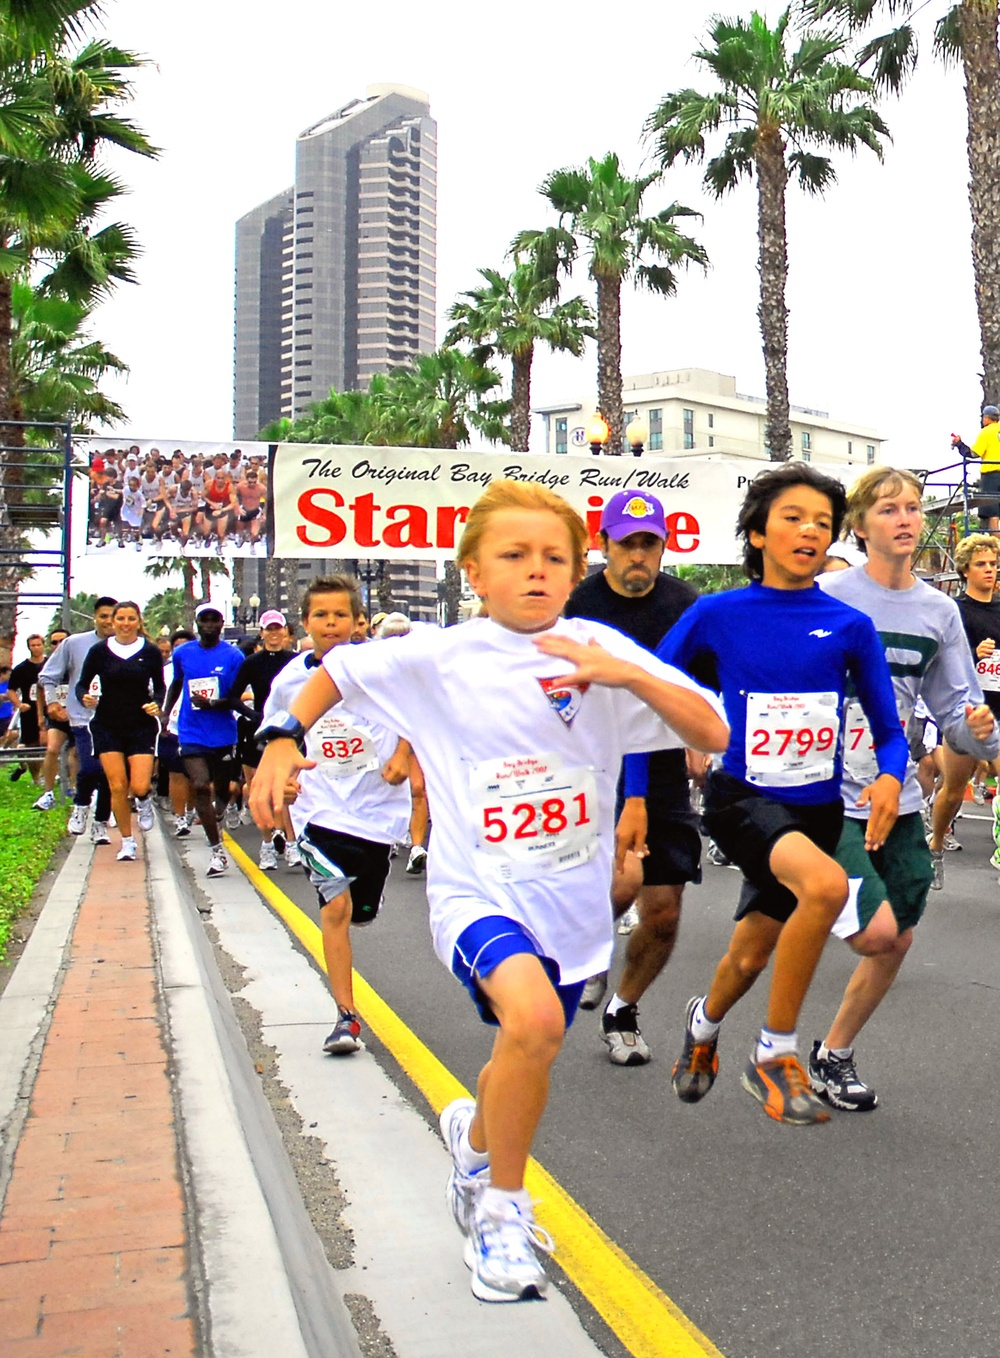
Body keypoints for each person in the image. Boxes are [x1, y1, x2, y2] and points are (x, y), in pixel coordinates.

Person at [249, 480, 728, 1303]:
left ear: (578, 568)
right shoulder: (438, 657)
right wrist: (281, 739)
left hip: (572, 906)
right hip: (476, 893)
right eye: (515, 556)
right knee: (537, 1022)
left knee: (528, 1041)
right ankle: (499, 1209)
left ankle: (473, 1138)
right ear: (474, 570)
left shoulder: (596, 650)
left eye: (555, 558)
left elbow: (711, 731)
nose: (537, 571)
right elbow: (337, 675)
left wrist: (624, 676)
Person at [653, 462, 908, 1125]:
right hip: (741, 798)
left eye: (822, 522)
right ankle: (774, 1055)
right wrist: (632, 796)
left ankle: (703, 1029)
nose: (809, 531)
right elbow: (645, 692)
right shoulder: (717, 614)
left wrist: (887, 775)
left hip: (816, 810)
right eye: (792, 518)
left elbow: (888, 728)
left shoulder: (848, 625)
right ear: (758, 533)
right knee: (824, 889)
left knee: (749, 954)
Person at [805, 476, 997, 1111]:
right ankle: (747, 1022)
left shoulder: (938, 613)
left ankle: (833, 1053)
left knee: (899, 937)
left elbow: (955, 712)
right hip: (821, 795)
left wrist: (980, 732)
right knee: (867, 932)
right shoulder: (824, 596)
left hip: (898, 802)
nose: (906, 519)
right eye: (889, 509)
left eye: (913, 508)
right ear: (860, 525)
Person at [563, 490, 699, 1065]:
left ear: (664, 547)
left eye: (650, 545)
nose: (638, 556)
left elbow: (705, 682)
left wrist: (702, 731)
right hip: (592, 765)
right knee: (622, 882)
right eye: (627, 545)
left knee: (663, 909)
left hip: (663, 764)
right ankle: (590, 952)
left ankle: (623, 1007)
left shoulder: (685, 604)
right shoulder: (575, 606)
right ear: (604, 546)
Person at [261, 576, 412, 1054]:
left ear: (357, 622)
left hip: (375, 810)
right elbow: (274, 736)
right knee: (337, 907)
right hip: (317, 809)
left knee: (360, 909)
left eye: (340, 615)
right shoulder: (290, 680)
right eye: (320, 616)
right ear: (304, 623)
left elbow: (417, 714)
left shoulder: (382, 669)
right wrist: (279, 781)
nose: (330, 623)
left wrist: (403, 755)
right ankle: (347, 1017)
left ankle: (367, 894)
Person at [924, 532, 1000, 873]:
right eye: (981, 564)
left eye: (994, 564)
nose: (989, 571)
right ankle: (937, 841)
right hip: (966, 712)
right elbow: (939, 659)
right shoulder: (953, 609)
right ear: (965, 570)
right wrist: (974, 653)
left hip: (998, 707)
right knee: (954, 791)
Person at [76, 601, 165, 861]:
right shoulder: (99, 652)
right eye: (121, 619)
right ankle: (127, 841)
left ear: (139, 622)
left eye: (131, 619)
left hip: (140, 725)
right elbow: (82, 685)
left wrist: (156, 704)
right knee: (117, 785)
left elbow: (159, 687)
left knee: (138, 785)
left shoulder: (149, 652)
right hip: (107, 725)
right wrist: (86, 698)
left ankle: (144, 799)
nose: (125, 624)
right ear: (112, 622)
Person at [162, 603, 244, 877]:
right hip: (191, 730)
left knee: (223, 790)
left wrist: (214, 702)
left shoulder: (233, 656)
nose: (209, 625)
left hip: (222, 731)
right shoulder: (183, 653)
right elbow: (176, 683)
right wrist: (165, 713)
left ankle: (218, 812)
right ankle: (216, 849)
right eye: (204, 620)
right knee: (199, 786)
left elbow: (236, 695)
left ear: (222, 624)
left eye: (214, 620)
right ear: (197, 624)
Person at [38, 599, 117, 842]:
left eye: (112, 617)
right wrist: (52, 702)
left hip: (118, 720)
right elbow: (47, 675)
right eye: (103, 616)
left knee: (109, 774)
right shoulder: (74, 644)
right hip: (83, 719)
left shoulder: (129, 647)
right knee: (91, 767)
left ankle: (100, 822)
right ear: (94, 617)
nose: (108, 622)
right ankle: (81, 805)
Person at [225, 609, 298, 868]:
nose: (274, 634)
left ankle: (291, 843)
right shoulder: (252, 663)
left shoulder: (296, 661)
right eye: (269, 629)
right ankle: (267, 845)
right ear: (262, 633)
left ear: (286, 632)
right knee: (260, 789)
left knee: (287, 788)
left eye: (278, 629)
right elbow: (233, 696)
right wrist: (254, 714)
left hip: (289, 730)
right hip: (259, 731)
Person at [32, 629, 73, 809]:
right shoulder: (49, 666)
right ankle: (48, 793)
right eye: (54, 642)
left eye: (62, 641)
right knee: (52, 749)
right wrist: (41, 715)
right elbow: (40, 689)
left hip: (78, 715)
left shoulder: (79, 661)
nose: (58, 646)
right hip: (56, 716)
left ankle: (76, 790)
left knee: (77, 753)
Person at [9, 634, 45, 782]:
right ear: (29, 647)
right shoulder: (21, 669)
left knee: (47, 743)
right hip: (29, 712)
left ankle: (46, 775)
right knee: (31, 744)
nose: (36, 648)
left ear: (43, 645)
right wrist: (19, 704)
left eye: (38, 644)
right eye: (33, 645)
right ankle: (35, 776)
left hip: (48, 709)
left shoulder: (50, 664)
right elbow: (11, 690)